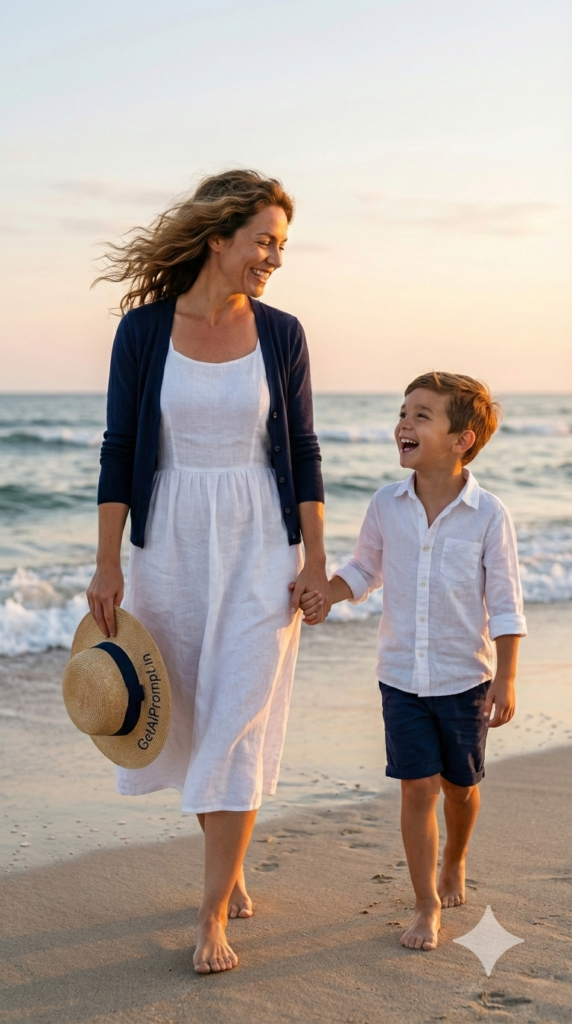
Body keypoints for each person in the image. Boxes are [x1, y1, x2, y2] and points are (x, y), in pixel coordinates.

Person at [87, 170, 330, 974]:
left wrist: (316, 558)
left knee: (238, 718)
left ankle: (211, 912)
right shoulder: (144, 331)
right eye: (265, 241)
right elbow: (120, 450)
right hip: (172, 547)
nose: (275, 258)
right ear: (219, 236)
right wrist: (108, 563)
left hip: (262, 545)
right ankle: (231, 861)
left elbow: (302, 451)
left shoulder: (282, 334)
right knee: (190, 717)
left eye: (282, 246)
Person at [300, 372, 526, 951]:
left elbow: (505, 602)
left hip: (465, 679)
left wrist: (506, 677)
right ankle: (426, 903)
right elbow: (364, 569)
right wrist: (328, 593)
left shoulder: (489, 514)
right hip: (400, 677)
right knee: (417, 787)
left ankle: (456, 856)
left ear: (462, 440)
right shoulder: (386, 503)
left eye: (422, 415)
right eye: (403, 412)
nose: (404, 423)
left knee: (460, 786)